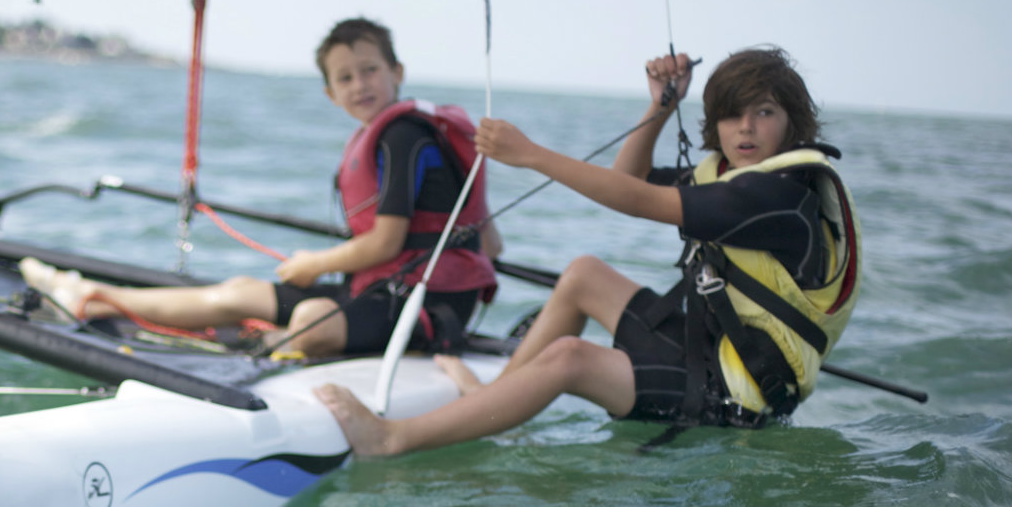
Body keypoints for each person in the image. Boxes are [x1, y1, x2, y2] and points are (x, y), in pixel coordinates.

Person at [317, 46, 862, 455]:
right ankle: (492, 398)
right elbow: (631, 174)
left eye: (764, 113)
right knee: (582, 274)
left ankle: (392, 439)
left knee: (569, 360)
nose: (745, 128)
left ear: (793, 120)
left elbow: (631, 198)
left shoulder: (777, 195)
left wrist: (530, 154)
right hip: (707, 347)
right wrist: (660, 107)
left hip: (736, 394)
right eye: (731, 115)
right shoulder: (731, 176)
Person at [21, 18, 504, 358]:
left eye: (370, 70)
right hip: (382, 290)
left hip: (426, 307)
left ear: (397, 73)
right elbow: (491, 244)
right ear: (330, 95)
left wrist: (315, 264)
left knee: (311, 317)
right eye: (345, 77)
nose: (360, 84)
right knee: (240, 290)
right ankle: (88, 295)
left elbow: (386, 242)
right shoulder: (401, 133)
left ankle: (271, 344)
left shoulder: (405, 135)